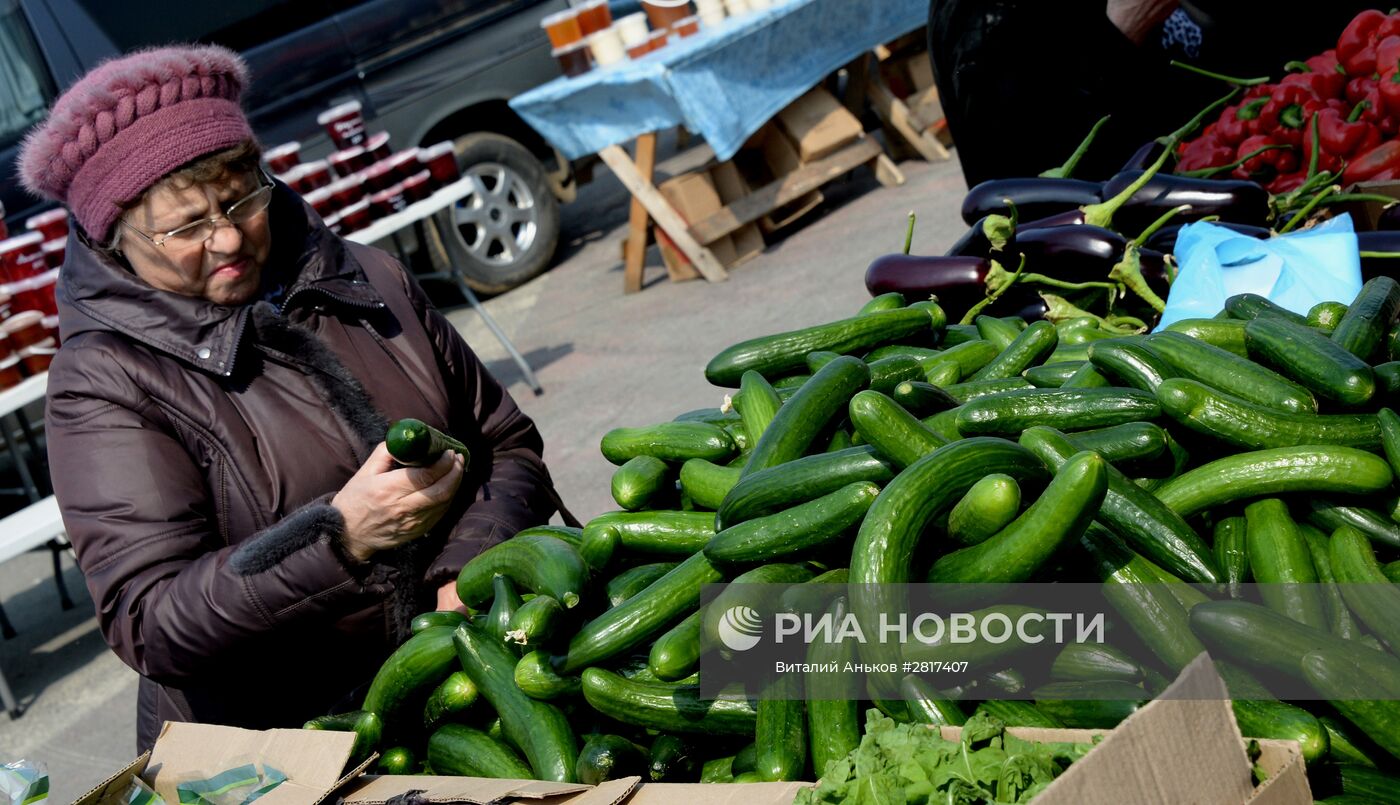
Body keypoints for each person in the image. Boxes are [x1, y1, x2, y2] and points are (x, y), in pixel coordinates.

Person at [18, 44, 572, 752]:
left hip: (471, 676)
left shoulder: (363, 277)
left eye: (242, 198)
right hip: (285, 746)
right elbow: (151, 620)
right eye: (186, 226)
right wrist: (339, 539)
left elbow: (504, 441)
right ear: (115, 235)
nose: (227, 238)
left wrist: (468, 568)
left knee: (747, 653)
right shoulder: (103, 382)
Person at [928, 0, 1380, 187]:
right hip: (1131, 262)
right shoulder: (986, 20)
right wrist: (1124, 29)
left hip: (1274, 182)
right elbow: (1033, 188)